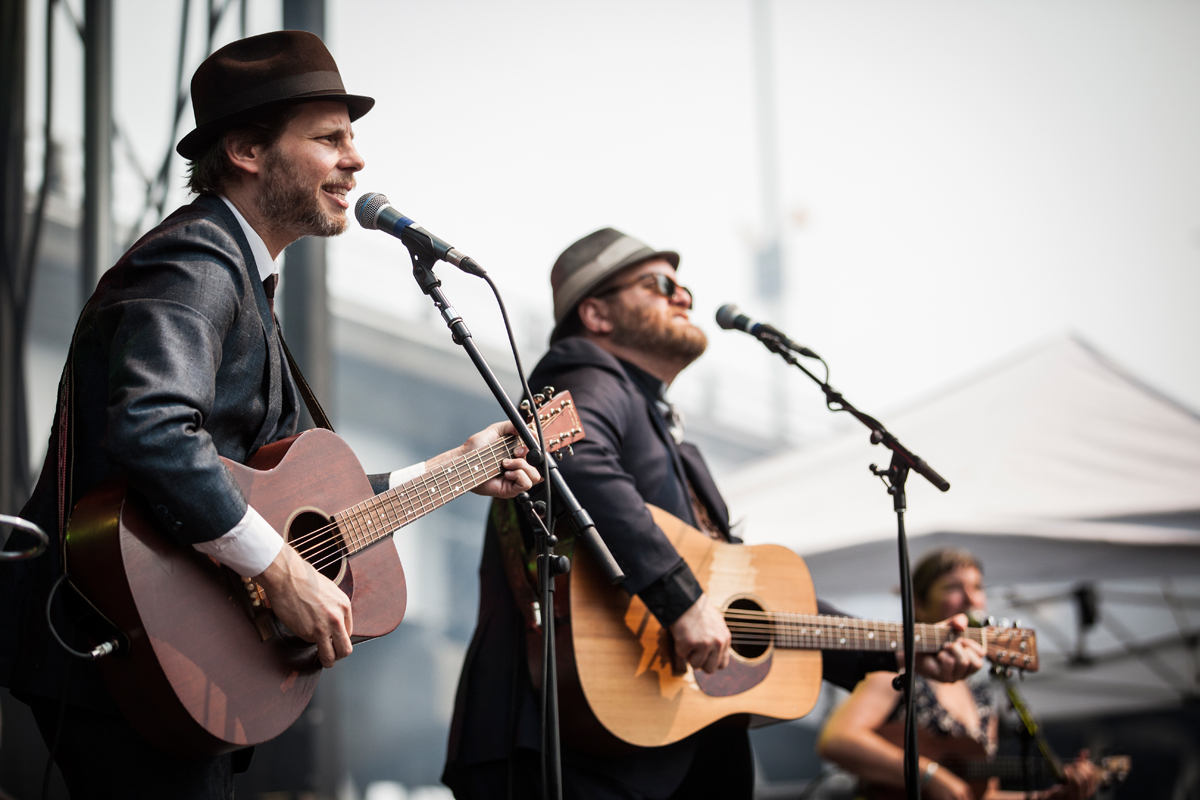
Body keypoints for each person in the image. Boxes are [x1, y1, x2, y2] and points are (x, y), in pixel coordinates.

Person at [0, 31, 539, 799]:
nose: (356, 162)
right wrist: (279, 569)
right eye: (329, 139)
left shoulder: (243, 276)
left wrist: (455, 469)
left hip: (165, 655)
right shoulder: (196, 258)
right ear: (249, 150)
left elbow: (283, 497)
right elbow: (154, 428)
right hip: (117, 647)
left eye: (353, 142)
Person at [442, 228, 986, 800]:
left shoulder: (667, 434)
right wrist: (681, 600)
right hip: (566, 741)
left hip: (658, 743)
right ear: (596, 313)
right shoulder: (579, 373)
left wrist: (902, 648)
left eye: (684, 287)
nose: (685, 297)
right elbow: (575, 461)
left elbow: (764, 603)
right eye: (660, 284)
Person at [818, 548, 1099, 800]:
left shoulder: (982, 697)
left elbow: (980, 794)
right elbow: (837, 739)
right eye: (953, 587)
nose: (970, 598)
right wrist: (928, 775)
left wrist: (1044, 798)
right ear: (918, 603)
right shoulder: (896, 670)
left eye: (977, 587)